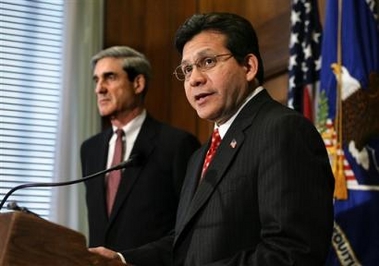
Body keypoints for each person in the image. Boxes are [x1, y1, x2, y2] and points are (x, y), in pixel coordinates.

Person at [89, 12, 335, 265]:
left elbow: (292, 252)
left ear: (248, 67)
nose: (194, 79)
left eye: (207, 61)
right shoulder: (201, 155)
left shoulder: (283, 130)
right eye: (187, 69)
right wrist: (120, 260)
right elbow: (185, 244)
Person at [80, 46, 200, 254]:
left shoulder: (177, 144)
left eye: (109, 77)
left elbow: (189, 229)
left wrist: (125, 259)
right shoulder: (90, 149)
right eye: (96, 80)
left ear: (138, 83)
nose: (99, 88)